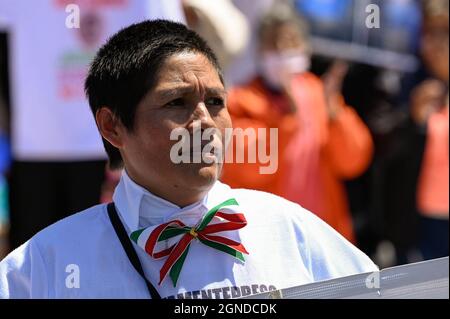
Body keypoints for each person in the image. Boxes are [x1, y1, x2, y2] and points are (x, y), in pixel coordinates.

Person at [0, 20, 377, 299]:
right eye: (176, 103)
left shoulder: (289, 230)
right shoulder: (44, 266)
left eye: (215, 102)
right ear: (112, 126)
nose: (205, 122)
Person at [0, 0, 185, 250]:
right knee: (39, 265)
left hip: (121, 145)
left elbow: (173, 47)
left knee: (116, 260)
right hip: (44, 148)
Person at [220, 4, 373, 243]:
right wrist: (286, 120)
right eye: (274, 43)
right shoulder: (240, 100)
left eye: (290, 41)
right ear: (260, 51)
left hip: (323, 232)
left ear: (305, 47)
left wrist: (337, 117)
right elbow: (244, 165)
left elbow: (353, 162)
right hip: (267, 238)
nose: (282, 51)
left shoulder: (319, 93)